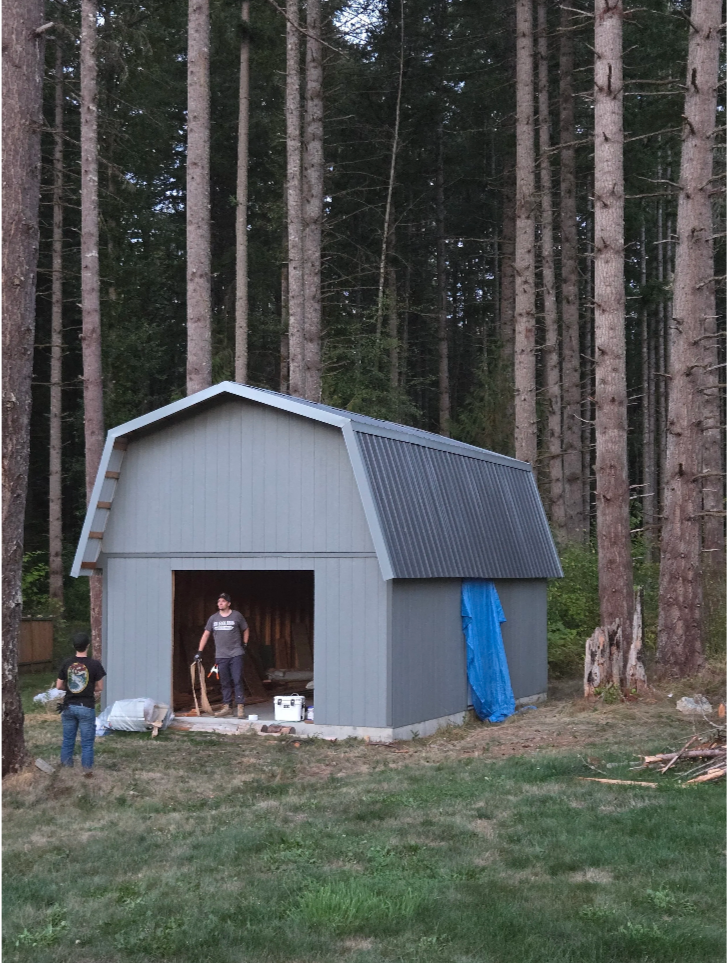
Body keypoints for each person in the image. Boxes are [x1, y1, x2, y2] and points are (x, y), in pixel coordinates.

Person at [56, 632, 106, 777]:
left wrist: (72, 688)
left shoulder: (66, 663)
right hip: (86, 706)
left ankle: (66, 766)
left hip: (68, 706)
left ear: (74, 646)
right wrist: (88, 688)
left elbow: (59, 686)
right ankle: (87, 769)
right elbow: (100, 687)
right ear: (88, 646)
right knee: (87, 742)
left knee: (68, 738)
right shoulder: (95, 665)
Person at [195, 593, 249, 718]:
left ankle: (240, 707)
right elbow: (206, 634)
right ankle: (227, 707)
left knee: (237, 679)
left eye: (223, 601)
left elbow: (246, 629)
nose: (220, 603)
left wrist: (245, 643)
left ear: (228, 603)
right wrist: (199, 652)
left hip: (236, 654)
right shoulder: (213, 618)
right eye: (219, 601)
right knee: (224, 682)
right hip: (221, 655)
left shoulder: (237, 616)